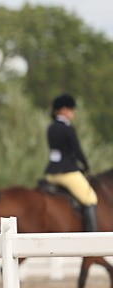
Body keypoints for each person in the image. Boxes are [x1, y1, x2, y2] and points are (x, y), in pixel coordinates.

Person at [43, 94, 98, 232]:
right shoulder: (67, 128)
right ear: (63, 110)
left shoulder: (51, 128)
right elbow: (77, 151)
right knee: (90, 199)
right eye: (71, 109)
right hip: (67, 172)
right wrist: (86, 165)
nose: (73, 113)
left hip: (50, 174)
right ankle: (93, 237)